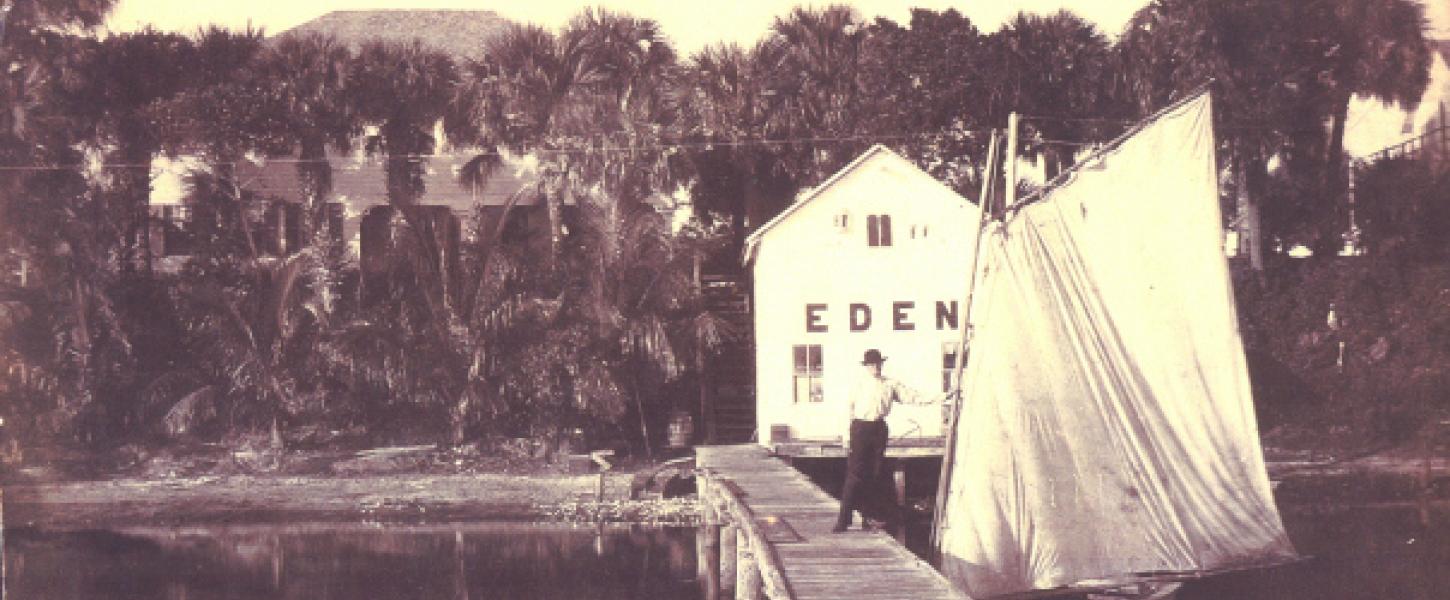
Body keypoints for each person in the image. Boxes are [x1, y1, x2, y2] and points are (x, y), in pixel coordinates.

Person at [833, 348, 948, 533]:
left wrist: (942, 397)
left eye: (878, 364)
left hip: (879, 429)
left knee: (875, 475)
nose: (875, 367)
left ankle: (867, 518)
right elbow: (848, 410)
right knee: (854, 476)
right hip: (860, 428)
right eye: (871, 365)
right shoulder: (858, 384)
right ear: (866, 366)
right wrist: (846, 437)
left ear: (881, 364)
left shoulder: (890, 384)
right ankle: (843, 520)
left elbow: (913, 397)